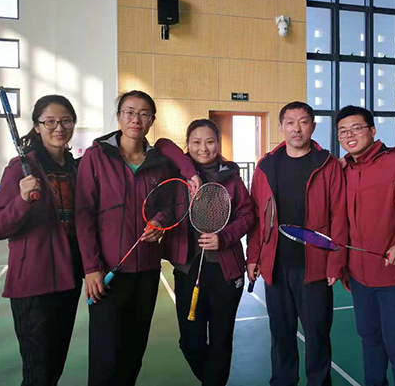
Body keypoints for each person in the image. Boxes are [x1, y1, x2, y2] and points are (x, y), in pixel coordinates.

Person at [75, 90, 199, 386]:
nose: (136, 119)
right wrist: (91, 268)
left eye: (144, 114)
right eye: (129, 112)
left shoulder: (160, 162)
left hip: (146, 272)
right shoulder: (96, 157)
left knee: (133, 352)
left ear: (152, 120)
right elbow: (84, 215)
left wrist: (160, 221)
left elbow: (173, 202)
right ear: (119, 116)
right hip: (107, 273)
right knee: (106, 357)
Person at [246, 101, 348, 386]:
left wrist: (335, 260)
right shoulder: (266, 166)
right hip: (276, 266)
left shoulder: (328, 165)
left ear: (312, 126)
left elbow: (340, 216)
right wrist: (253, 257)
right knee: (280, 335)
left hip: (314, 268)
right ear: (281, 126)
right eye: (290, 122)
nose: (297, 128)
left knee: (317, 336)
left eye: (303, 122)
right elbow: (257, 215)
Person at [0, 94, 82, 385]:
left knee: (54, 367)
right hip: (34, 283)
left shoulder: (74, 167)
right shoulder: (20, 167)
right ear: (37, 126)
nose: (59, 127)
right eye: (50, 121)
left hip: (69, 279)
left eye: (65, 120)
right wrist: (22, 200)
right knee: (38, 373)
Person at [159, 119, 254, 386]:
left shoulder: (232, 177)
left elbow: (247, 215)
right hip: (188, 270)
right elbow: (162, 144)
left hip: (226, 271)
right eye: (196, 142)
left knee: (221, 341)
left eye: (210, 141)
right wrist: (191, 173)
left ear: (218, 144)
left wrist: (224, 238)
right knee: (190, 342)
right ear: (188, 144)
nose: (203, 148)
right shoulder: (176, 172)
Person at [336, 105, 395, 386]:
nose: (350, 135)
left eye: (356, 128)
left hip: (393, 275)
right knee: (370, 340)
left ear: (372, 131)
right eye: (343, 131)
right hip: (358, 276)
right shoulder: (342, 170)